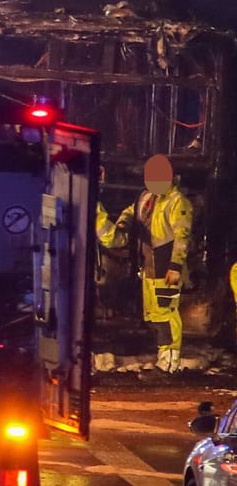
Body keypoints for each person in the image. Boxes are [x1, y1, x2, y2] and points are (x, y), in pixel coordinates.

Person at [99, 153, 193, 372]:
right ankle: (164, 359)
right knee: (155, 314)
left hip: (165, 266)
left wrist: (175, 267)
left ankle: (169, 363)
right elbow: (130, 214)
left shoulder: (178, 201)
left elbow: (182, 236)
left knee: (166, 313)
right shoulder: (146, 198)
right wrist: (123, 224)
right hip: (150, 266)